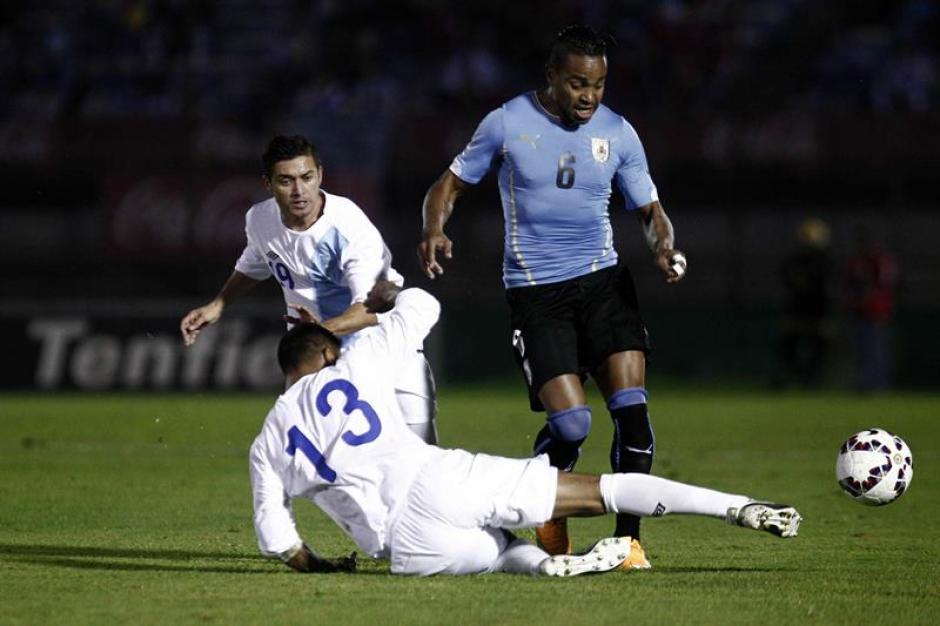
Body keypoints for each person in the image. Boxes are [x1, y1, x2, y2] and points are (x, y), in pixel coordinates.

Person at [249, 282, 801, 577]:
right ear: (326, 351)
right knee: (600, 490)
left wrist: (314, 564)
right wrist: (382, 301)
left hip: (405, 548)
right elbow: (423, 305)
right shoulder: (354, 363)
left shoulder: (268, 439)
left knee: (499, 553)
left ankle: (547, 568)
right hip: (437, 478)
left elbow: (277, 535)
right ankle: (737, 507)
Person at [417, 25, 686, 566]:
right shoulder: (507, 122)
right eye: (577, 84)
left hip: (605, 283)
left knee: (631, 411)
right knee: (571, 426)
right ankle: (540, 504)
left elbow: (650, 212)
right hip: (538, 293)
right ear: (552, 77)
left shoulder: (619, 133)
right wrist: (433, 229)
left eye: (599, 85)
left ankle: (627, 539)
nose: (589, 96)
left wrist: (663, 250)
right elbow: (447, 185)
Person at [181, 135, 438, 443]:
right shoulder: (260, 219)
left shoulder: (348, 228)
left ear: (321, 175)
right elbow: (256, 262)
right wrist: (218, 304)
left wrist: (318, 331)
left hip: (385, 345)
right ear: (268, 184)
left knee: (420, 456)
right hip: (319, 357)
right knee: (308, 455)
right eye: (286, 181)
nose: (299, 191)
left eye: (306, 177)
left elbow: (371, 309)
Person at [773, 217, 834, 388]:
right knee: (788, 348)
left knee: (818, 350)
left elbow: (822, 285)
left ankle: (812, 381)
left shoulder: (824, 261)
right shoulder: (795, 260)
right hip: (797, 310)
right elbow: (786, 277)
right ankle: (791, 378)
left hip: (817, 311)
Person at [843, 226, 898, 392]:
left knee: (876, 351)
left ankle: (878, 384)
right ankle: (864, 384)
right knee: (863, 350)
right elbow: (848, 285)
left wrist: (868, 299)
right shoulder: (856, 262)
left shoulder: (881, 261)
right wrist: (852, 301)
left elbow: (885, 286)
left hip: (876, 314)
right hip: (859, 313)